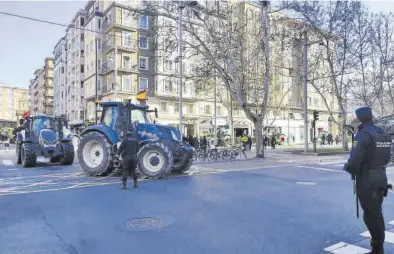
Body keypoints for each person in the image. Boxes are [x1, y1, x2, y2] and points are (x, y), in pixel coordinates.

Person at [344, 107, 392, 254]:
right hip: (381, 176)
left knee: (371, 215)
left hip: (367, 180)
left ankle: (377, 249)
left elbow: (353, 163)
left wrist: (347, 167)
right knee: (377, 213)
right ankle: (378, 246)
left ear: (360, 119)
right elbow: (388, 157)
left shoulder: (362, 135)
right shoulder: (383, 133)